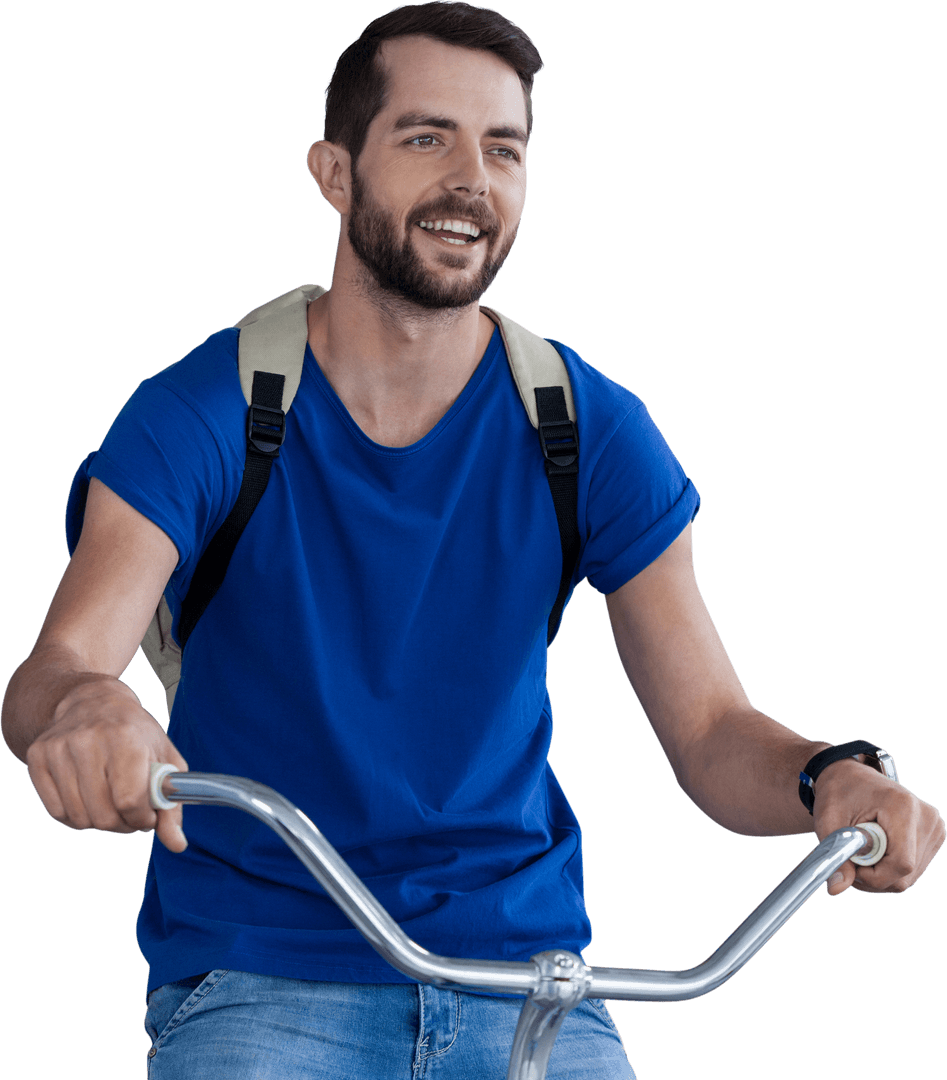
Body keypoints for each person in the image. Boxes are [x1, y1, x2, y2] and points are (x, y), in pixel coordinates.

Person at [2, 3, 943, 1077]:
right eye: (425, 137)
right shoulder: (207, 411)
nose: (471, 180)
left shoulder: (582, 427)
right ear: (333, 172)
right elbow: (58, 668)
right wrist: (89, 709)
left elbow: (710, 732)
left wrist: (832, 776)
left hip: (524, 981)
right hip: (265, 979)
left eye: (504, 148)